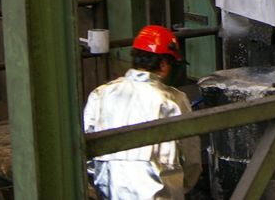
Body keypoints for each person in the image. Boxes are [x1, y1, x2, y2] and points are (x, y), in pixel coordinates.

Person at [83, 25, 202, 199]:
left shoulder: (99, 94)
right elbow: (192, 160)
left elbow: (87, 151)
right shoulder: (174, 100)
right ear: (163, 64)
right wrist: (180, 187)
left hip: (108, 190)